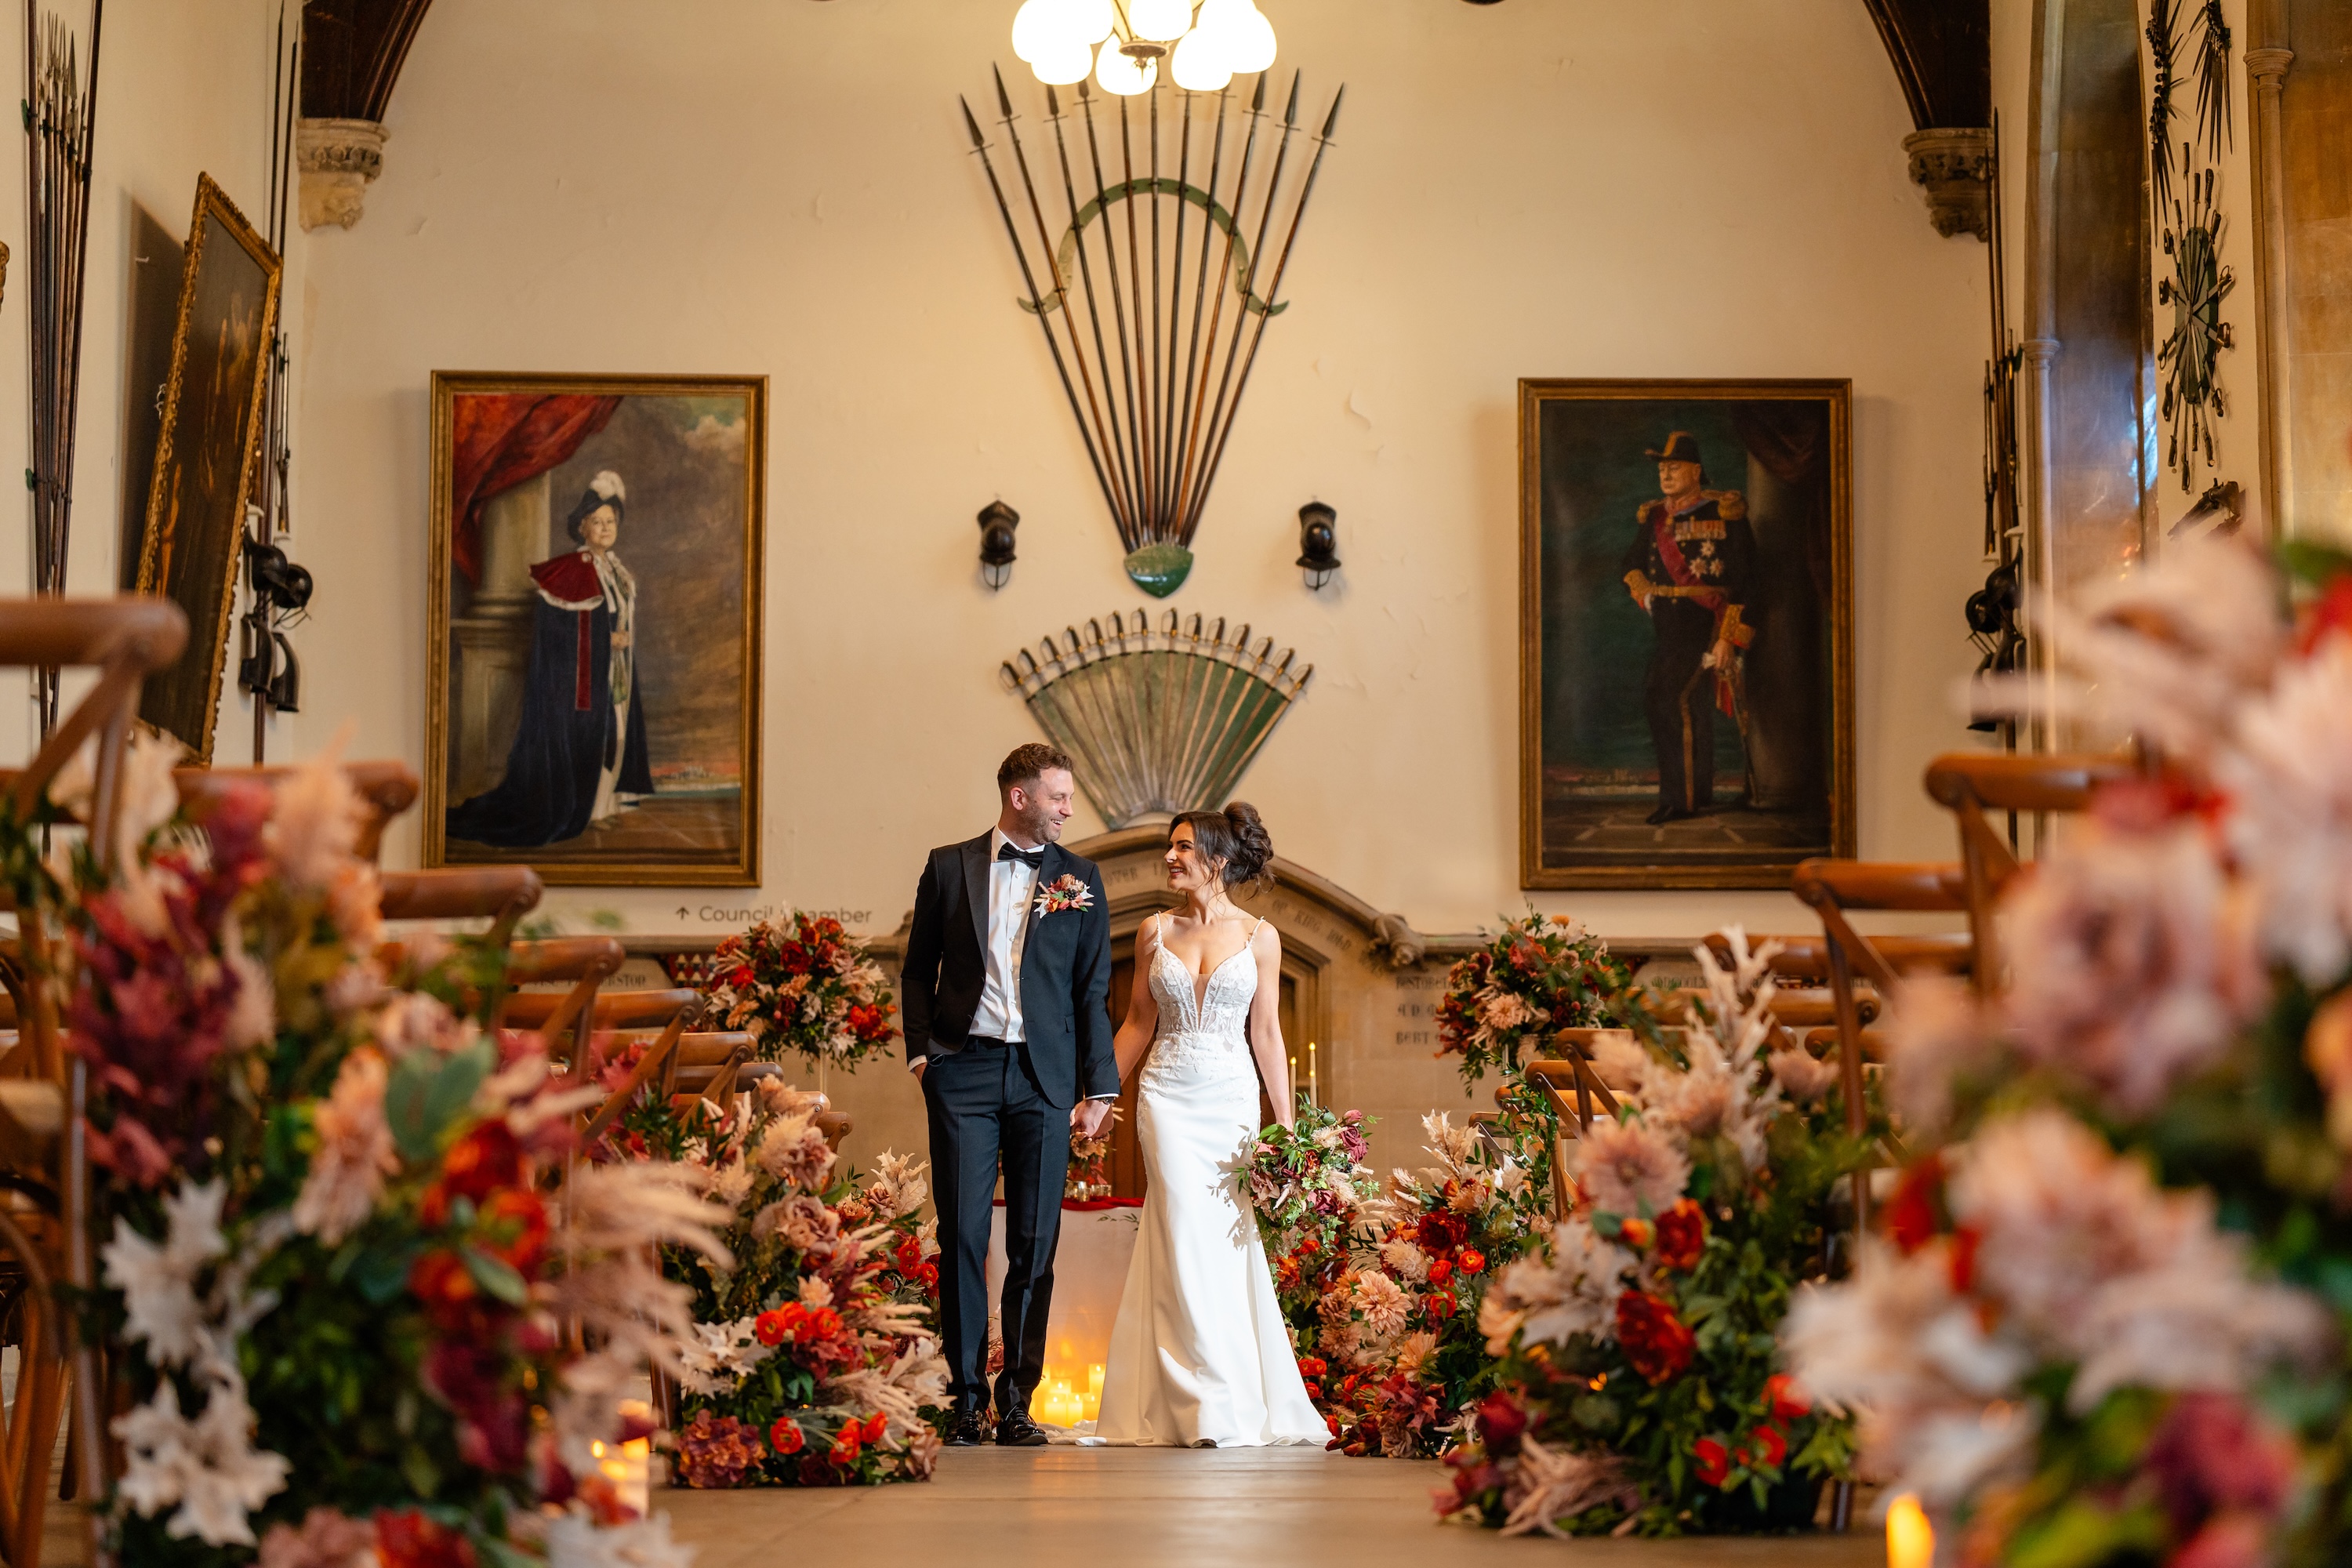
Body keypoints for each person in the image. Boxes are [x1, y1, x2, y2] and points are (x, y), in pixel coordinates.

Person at [900, 744, 1119, 1447]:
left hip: (1045, 1080)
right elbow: (915, 968)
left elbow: (1092, 991)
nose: (1068, 808)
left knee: (1034, 1241)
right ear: (1019, 796)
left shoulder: (1080, 879)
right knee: (961, 1235)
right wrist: (919, 1053)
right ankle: (964, 1401)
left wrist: (1101, 1086)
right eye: (1058, 796)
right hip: (961, 1071)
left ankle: (1017, 1400)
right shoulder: (947, 865)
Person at [1093, 803, 1327, 1449]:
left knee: (1221, 1243)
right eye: (1171, 846)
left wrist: (1286, 1129)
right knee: (1181, 1229)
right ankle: (1198, 1401)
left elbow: (1269, 1036)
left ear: (1217, 860)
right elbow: (1138, 1023)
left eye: (1183, 847)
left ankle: (1220, 1395)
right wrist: (1097, 1095)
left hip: (1229, 1101)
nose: (1171, 857)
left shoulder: (1261, 938)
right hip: (1166, 1096)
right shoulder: (1151, 931)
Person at [445, 470, 653, 847]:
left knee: (616, 736)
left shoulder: (618, 573)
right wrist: (608, 640)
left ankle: (604, 807)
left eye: (611, 522)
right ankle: (588, 811)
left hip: (615, 673)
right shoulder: (571, 570)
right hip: (582, 682)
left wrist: (618, 646)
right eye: (597, 522)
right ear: (582, 527)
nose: (605, 529)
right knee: (594, 737)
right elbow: (559, 632)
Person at [1618, 432, 1758, 825]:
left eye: (1673, 466)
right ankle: (1697, 794)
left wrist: (1729, 637)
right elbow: (1630, 565)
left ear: (1696, 471)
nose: (1665, 473)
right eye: (1662, 468)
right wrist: (1645, 595)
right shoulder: (1655, 516)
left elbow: (1747, 582)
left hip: (1706, 622)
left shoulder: (1724, 513)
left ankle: (1678, 801)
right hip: (1668, 624)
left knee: (1665, 697)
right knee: (1686, 704)